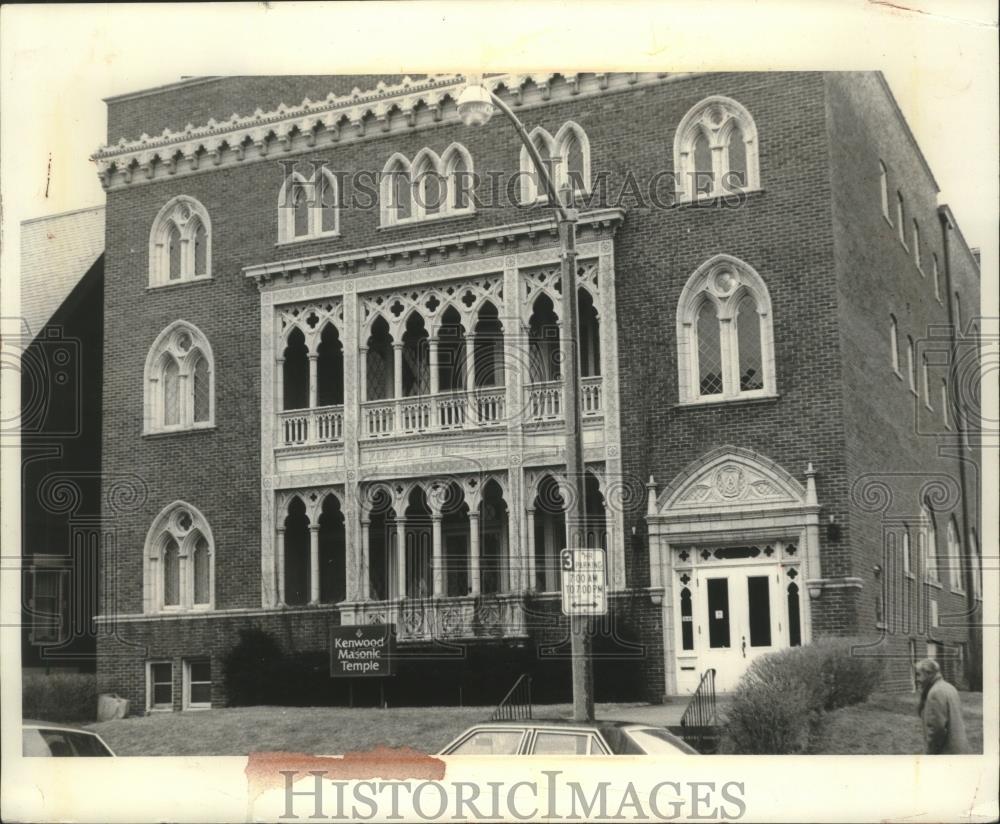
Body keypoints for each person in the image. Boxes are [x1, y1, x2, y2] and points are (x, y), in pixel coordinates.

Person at [914, 658, 971, 754]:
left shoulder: (935, 692)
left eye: (918, 674)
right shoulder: (949, 687)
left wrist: (931, 753)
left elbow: (937, 730)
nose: (917, 679)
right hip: (959, 748)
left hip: (946, 752)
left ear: (928, 673)